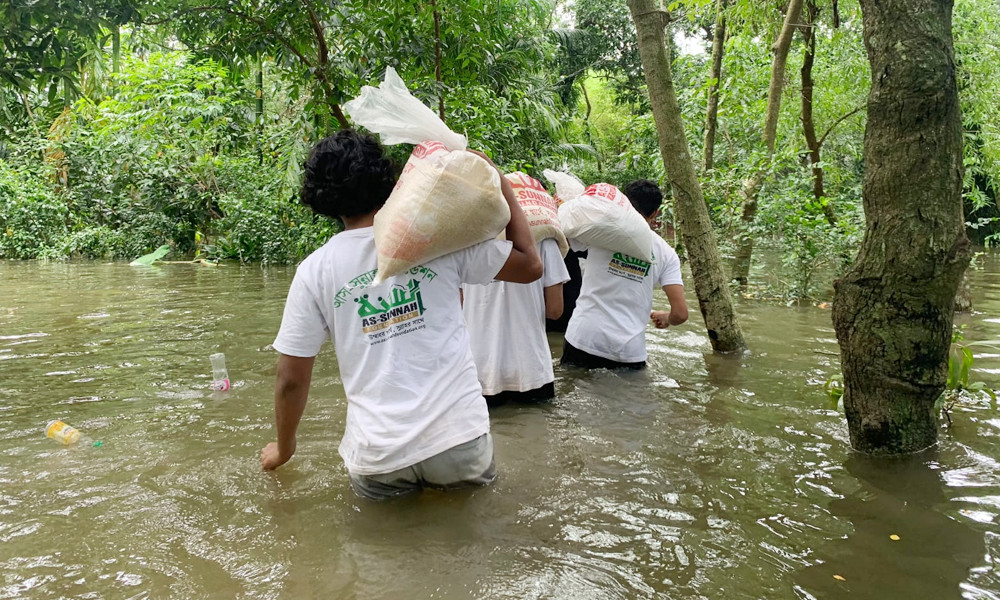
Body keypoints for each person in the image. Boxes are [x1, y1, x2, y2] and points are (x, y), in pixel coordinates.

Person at [260, 130, 542, 501]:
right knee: (474, 547)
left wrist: (284, 448)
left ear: (320, 198)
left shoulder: (315, 271)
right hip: (457, 440)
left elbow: (291, 380)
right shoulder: (439, 241)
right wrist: (499, 181)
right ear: (388, 180)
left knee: (382, 554)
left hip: (378, 456)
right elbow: (530, 266)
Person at [560, 179, 688, 370]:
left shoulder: (600, 231)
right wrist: (668, 318)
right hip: (628, 352)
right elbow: (681, 313)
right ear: (655, 213)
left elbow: (564, 241)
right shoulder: (667, 253)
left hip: (584, 338)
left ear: (624, 202)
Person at [462, 236, 570, 406]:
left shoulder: (462, 241)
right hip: (531, 369)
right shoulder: (546, 240)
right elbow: (555, 310)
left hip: (480, 371)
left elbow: (456, 307)